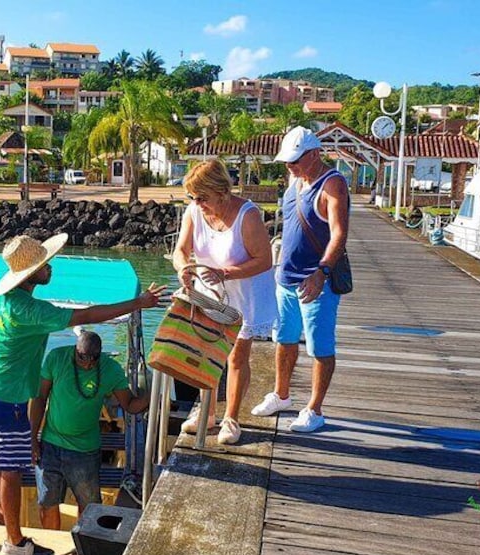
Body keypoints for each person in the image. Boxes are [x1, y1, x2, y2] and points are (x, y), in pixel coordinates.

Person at [0, 233, 164, 555]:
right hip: (9, 398)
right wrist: (139, 303)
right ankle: (15, 542)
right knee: (8, 471)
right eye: (44, 264)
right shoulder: (31, 310)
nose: (50, 267)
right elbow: (88, 317)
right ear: (31, 273)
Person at [251, 126, 350, 433]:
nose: (289, 165)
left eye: (295, 159)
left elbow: (339, 235)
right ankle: (281, 394)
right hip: (285, 278)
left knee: (320, 346)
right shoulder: (294, 182)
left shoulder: (333, 184)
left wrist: (321, 271)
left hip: (315, 281)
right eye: (287, 160)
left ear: (314, 154)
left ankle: (315, 409)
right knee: (283, 339)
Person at [172, 159, 276, 445]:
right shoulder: (194, 212)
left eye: (202, 197)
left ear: (222, 192)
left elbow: (264, 260)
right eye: (192, 197)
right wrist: (183, 268)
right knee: (208, 351)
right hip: (211, 292)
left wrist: (225, 272)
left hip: (245, 292)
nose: (197, 202)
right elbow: (181, 249)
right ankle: (207, 413)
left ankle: (231, 418)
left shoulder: (248, 215)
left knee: (236, 357)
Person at [30, 331, 149, 530]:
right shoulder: (57, 358)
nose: (86, 363)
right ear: (75, 350)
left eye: (92, 359)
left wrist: (152, 397)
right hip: (51, 444)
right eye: (81, 358)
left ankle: (81, 552)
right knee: (47, 502)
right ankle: (53, 552)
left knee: (89, 506)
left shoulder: (110, 369)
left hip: (85, 451)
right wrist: (33, 438)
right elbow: (40, 397)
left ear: (100, 355)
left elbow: (129, 404)